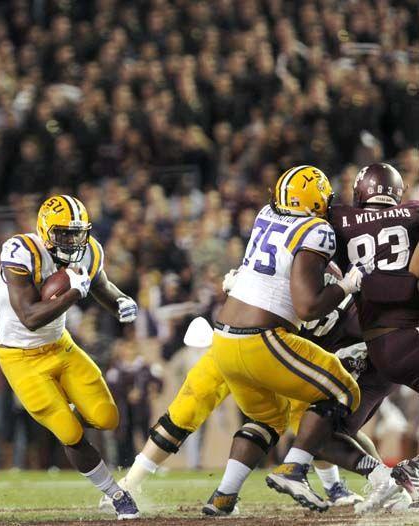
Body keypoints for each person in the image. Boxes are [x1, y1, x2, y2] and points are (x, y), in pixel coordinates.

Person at [150, 166, 367, 513]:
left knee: (266, 420)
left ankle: (223, 497)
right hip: (263, 338)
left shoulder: (267, 214)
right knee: (343, 390)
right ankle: (295, 469)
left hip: (223, 339)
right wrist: (346, 284)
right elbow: (308, 307)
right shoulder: (316, 230)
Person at [101, 265, 369, 514]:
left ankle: (140, 484)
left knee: (299, 411)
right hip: (259, 342)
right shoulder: (305, 257)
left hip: (244, 343)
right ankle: (131, 483)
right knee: (310, 407)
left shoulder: (290, 251)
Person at [0, 195, 140, 519]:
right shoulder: (22, 252)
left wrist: (120, 301)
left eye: (78, 233)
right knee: (70, 433)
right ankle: (116, 494)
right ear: (46, 230)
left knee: (107, 418)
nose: (73, 241)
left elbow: (100, 285)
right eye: (64, 233)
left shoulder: (88, 252)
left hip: (61, 345)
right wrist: (75, 291)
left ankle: (70, 405)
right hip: (20, 357)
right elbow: (30, 317)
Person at [326, 163, 419, 511]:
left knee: (336, 427)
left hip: (376, 345)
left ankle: (383, 481)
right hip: (406, 339)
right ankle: (414, 473)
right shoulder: (411, 214)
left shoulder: (338, 220)